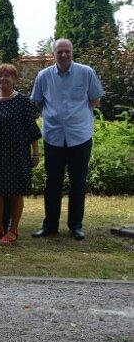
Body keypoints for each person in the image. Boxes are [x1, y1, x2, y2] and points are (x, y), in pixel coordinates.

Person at [31, 39, 104, 241]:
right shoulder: (43, 76)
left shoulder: (86, 73)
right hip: (53, 136)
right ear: (53, 54)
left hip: (79, 136)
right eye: (59, 52)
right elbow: (37, 102)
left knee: (78, 183)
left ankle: (76, 226)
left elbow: (95, 100)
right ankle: (50, 225)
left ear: (72, 52)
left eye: (67, 51)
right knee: (52, 183)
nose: (63, 55)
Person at [0, 64, 42, 244]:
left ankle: (13, 230)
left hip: (17, 155)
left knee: (15, 192)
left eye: (7, 76)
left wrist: (35, 154)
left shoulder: (22, 101)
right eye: (0, 76)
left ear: (14, 79)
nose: (3, 79)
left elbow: (32, 130)